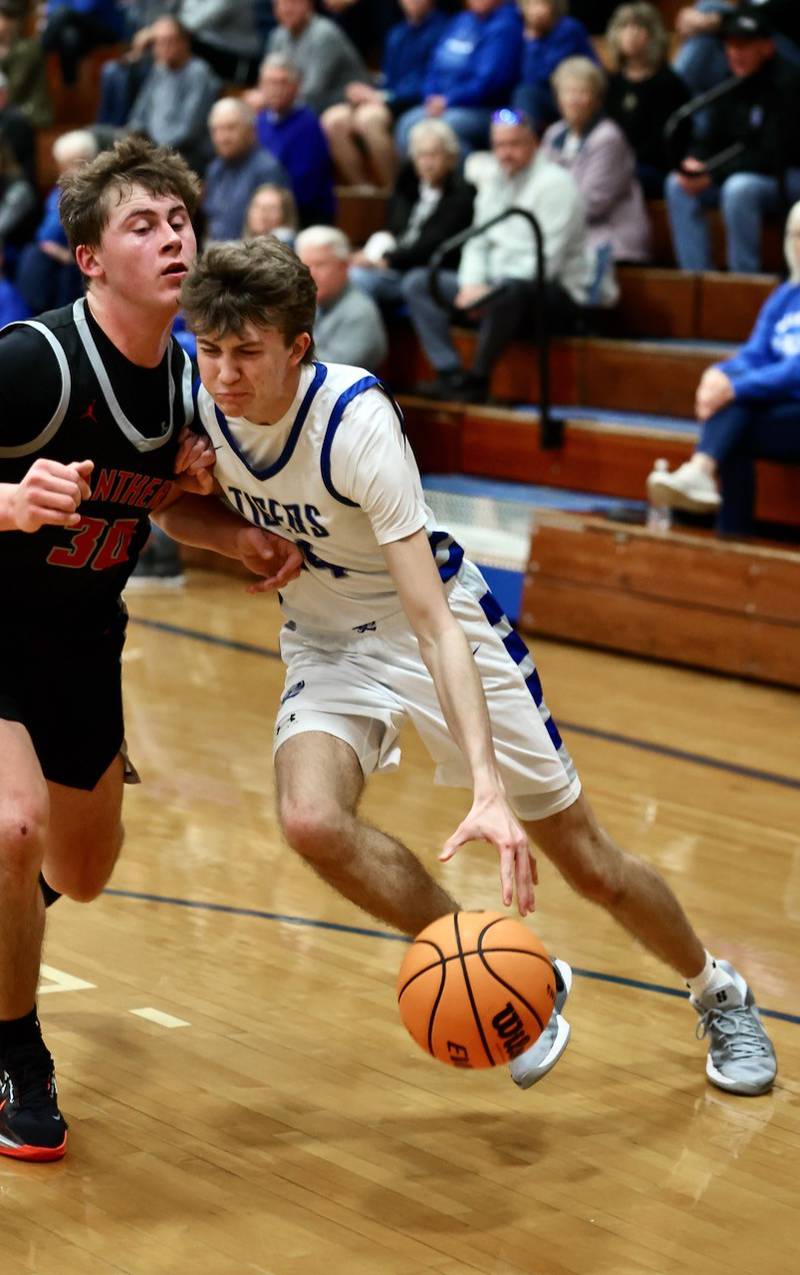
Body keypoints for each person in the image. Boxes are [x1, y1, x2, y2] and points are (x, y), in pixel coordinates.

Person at [179, 233, 778, 1105]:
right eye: (210, 350)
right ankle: (508, 972)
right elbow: (165, 506)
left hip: (437, 623)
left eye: (247, 352)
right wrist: (233, 534)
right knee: (310, 820)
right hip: (325, 637)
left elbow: (432, 620)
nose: (225, 374)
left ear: (299, 347)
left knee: (587, 862)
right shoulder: (197, 399)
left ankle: (717, 989)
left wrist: (487, 787)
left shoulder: (355, 423)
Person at [0, 135, 300, 1162]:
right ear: (90, 258)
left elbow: (158, 504)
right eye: (143, 225)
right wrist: (9, 501)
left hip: (84, 638)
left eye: (179, 221)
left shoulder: (185, 382)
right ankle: (17, 1056)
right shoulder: (33, 361)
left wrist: (234, 535)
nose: (173, 238)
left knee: (82, 873)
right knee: (13, 829)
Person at [405, 108, 591, 405]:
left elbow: (546, 262)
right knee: (418, 282)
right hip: (494, 287)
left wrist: (488, 293)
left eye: (514, 144)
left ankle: (478, 379)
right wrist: (471, 285)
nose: (505, 153)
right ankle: (450, 373)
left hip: (554, 293)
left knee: (510, 289)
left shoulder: (556, 184)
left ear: (534, 143)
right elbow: (477, 242)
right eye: (499, 145)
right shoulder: (494, 181)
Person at [647, 200, 800, 534]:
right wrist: (719, 373)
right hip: (779, 405)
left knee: (735, 408)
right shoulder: (785, 296)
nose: (797, 244)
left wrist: (735, 387)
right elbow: (754, 353)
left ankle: (704, 475)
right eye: (793, 235)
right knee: (734, 416)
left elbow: (796, 370)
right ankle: (729, 533)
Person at [665, 5, 800, 273]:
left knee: (739, 189)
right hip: (740, 170)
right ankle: (697, 278)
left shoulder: (788, 83)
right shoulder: (730, 80)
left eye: (744, 45)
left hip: (788, 174)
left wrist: (713, 173)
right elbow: (711, 137)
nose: (735, 53)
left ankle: (743, 279)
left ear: (766, 47)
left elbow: (773, 153)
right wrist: (697, 162)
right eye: (730, 45)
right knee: (677, 183)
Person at [349, 117, 474, 310]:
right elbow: (394, 227)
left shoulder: (461, 194)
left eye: (434, 155)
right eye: (421, 155)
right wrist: (371, 254)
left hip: (423, 271)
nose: (427, 163)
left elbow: (432, 244)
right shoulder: (408, 182)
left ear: (451, 158)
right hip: (393, 262)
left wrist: (384, 261)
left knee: (358, 278)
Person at [320, 0, 448, 188]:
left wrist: (382, 97)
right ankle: (363, 190)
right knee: (333, 120)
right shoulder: (397, 33)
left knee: (368, 119)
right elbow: (388, 79)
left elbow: (428, 83)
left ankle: (394, 190)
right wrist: (368, 91)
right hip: (389, 97)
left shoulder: (443, 30)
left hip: (416, 101)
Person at [540, 57, 651, 265]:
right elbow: (540, 187)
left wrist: (547, 211)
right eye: (568, 92)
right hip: (566, 237)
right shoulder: (553, 134)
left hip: (609, 240)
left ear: (597, 99)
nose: (574, 100)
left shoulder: (608, 137)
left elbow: (591, 203)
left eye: (582, 92)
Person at [395, 0, 523, 157]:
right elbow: (434, 66)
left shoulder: (507, 26)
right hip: (442, 104)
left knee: (441, 131)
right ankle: (414, 174)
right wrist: (430, 96)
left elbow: (488, 83)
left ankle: (460, 174)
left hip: (483, 108)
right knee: (406, 124)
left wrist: (449, 100)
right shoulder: (461, 20)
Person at [604, 2, 691, 198]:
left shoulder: (668, 83)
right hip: (615, 164)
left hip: (654, 169)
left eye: (639, 27)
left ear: (653, 35)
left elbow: (670, 140)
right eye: (624, 27)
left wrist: (623, 160)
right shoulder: (611, 83)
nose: (631, 33)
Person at [16, 129, 97, 315]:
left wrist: (65, 255)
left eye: (70, 164)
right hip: (50, 261)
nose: (64, 170)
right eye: (63, 165)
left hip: (73, 266)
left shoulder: (93, 196)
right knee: (31, 256)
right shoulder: (59, 192)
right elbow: (45, 235)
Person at [126, 15, 220, 175]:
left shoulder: (199, 73)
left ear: (185, 42)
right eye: (159, 42)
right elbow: (139, 115)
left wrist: (155, 150)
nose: (165, 47)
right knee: (95, 141)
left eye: (170, 41)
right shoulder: (159, 70)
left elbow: (189, 130)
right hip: (153, 147)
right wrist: (131, 138)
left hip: (185, 154)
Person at [250, 54, 336, 227]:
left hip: (302, 217)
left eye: (283, 82)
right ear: (261, 85)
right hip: (263, 210)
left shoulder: (308, 125)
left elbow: (305, 186)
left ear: (297, 87)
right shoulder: (259, 121)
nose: (276, 89)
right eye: (271, 82)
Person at [295, 224, 388, 369]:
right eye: (305, 266)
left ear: (344, 267)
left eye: (319, 265)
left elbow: (331, 373)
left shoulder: (360, 313)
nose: (311, 274)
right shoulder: (303, 303)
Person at [203, 97, 289, 243]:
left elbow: (274, 236)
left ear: (251, 130)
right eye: (216, 130)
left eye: (231, 128)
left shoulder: (268, 169)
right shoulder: (214, 169)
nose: (223, 138)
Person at [265, 0, 368, 116]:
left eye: (293, 3)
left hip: (343, 104)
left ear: (309, 5)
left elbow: (313, 92)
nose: (287, 9)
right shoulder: (277, 35)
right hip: (300, 103)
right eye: (282, 4)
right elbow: (267, 77)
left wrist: (275, 99)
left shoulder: (324, 35)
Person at [511, 0, 597, 135]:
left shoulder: (567, 28)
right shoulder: (518, 29)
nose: (539, 11)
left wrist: (532, 40)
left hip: (577, 93)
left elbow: (541, 74)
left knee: (525, 93)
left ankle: (521, 139)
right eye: (533, 5)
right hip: (549, 95)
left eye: (544, 4)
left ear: (553, 6)